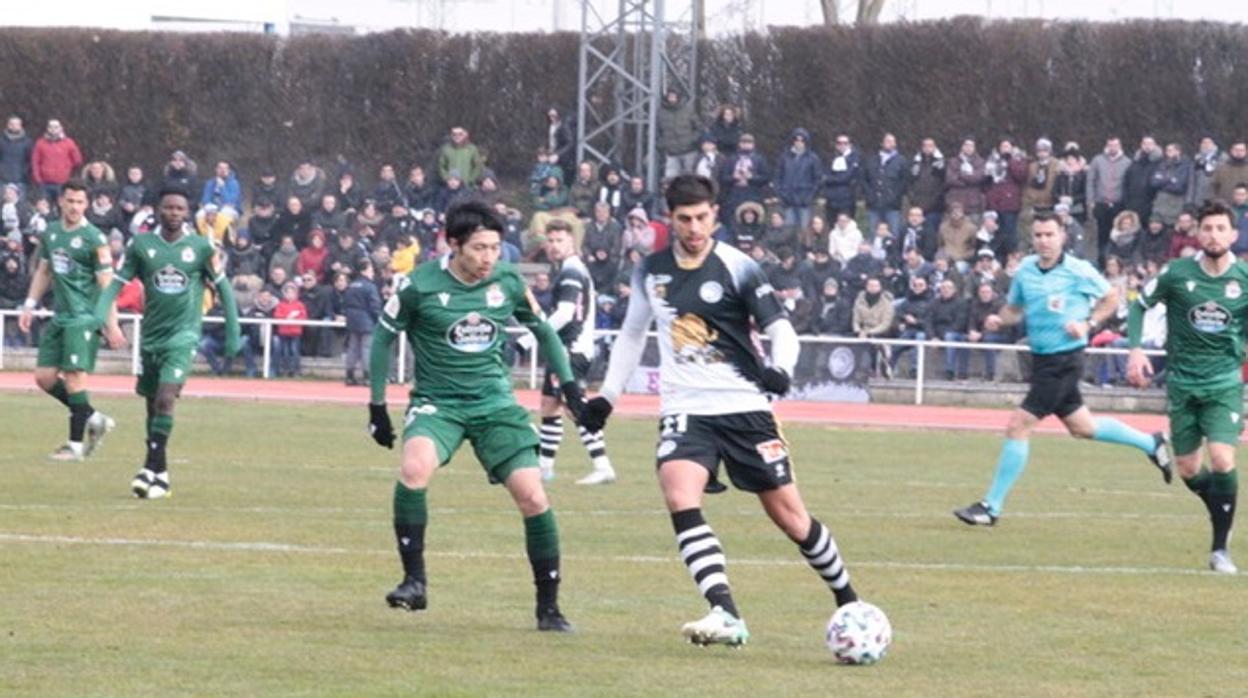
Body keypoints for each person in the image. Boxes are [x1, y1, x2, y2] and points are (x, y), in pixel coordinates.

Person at [583, 175, 865, 646]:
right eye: (684, 219)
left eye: (702, 217)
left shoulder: (738, 266)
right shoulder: (651, 271)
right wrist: (608, 397)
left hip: (745, 408)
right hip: (685, 409)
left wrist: (783, 369)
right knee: (679, 494)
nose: (694, 227)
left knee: (791, 518)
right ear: (670, 219)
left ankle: (849, 598)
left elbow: (781, 330)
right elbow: (632, 336)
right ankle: (725, 611)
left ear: (716, 215)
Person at [366, 199, 596, 633]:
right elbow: (381, 339)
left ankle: (549, 608)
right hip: (439, 404)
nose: (490, 257)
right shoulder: (419, 285)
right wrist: (377, 406)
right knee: (414, 468)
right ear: (453, 245)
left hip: (495, 405)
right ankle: (414, 581)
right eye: (479, 248)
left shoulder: (507, 281)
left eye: (495, 247)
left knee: (533, 496)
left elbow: (544, 330)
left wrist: (570, 387)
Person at [953, 214, 1172, 527]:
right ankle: (1152, 443)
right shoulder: (1026, 269)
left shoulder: (1078, 270)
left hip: (1064, 360)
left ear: (1062, 236)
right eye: (1039, 234)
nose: (1044, 240)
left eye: (1049, 234)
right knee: (1083, 427)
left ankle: (991, 507)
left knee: (1018, 425)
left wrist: (1088, 323)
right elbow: (1015, 309)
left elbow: (1111, 297)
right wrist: (999, 319)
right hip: (1041, 358)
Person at [93, 185, 241, 499]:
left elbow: (225, 290)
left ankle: (149, 466)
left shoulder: (201, 247)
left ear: (188, 213)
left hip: (183, 336)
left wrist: (232, 333)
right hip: (151, 338)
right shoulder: (141, 245)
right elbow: (115, 285)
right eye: (168, 208)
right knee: (152, 406)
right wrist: (99, 319)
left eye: (179, 208)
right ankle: (160, 475)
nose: (174, 213)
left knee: (165, 397)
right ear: (158, 210)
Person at [1126, 200, 1245, 574]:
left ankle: (1220, 549)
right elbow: (1137, 305)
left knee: (1223, 459)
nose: (1213, 235)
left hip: (1224, 383)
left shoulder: (1243, 280)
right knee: (1189, 469)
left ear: (1234, 235)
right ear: (1198, 234)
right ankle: (1222, 510)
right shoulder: (1176, 273)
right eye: (1207, 228)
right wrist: (1134, 350)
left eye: (1220, 228)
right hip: (1182, 384)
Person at [18, 181, 125, 461]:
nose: (75, 207)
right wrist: (29, 304)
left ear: (86, 204)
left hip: (84, 317)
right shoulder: (52, 233)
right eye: (71, 201)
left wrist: (111, 324)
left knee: (76, 377)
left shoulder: (94, 238)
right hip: (60, 315)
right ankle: (93, 417)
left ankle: (75, 446)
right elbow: (44, 271)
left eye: (80, 202)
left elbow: (107, 284)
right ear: (61, 203)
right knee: (44, 377)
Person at [528, 220, 617, 485]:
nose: (554, 246)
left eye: (560, 240)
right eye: (551, 241)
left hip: (570, 349)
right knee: (549, 405)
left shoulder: (571, 271)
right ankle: (544, 468)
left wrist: (534, 334)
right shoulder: (571, 269)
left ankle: (602, 466)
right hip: (568, 347)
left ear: (572, 242)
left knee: (574, 407)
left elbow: (566, 313)